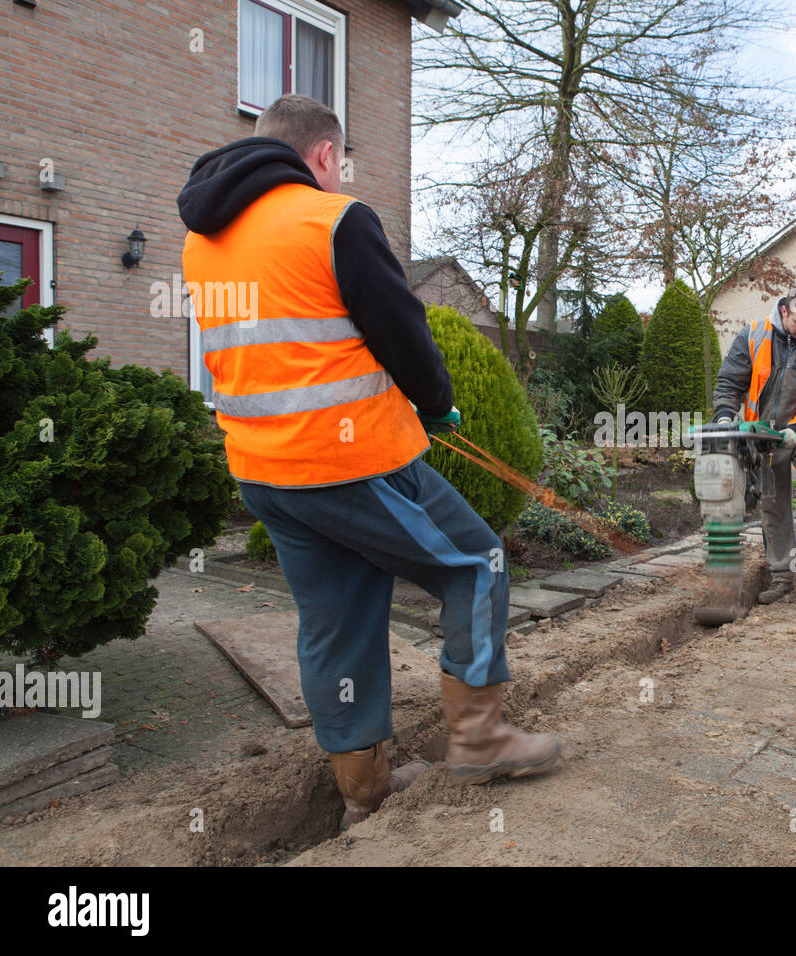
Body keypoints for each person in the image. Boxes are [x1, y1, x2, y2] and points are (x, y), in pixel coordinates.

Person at [177, 94, 560, 829]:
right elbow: (400, 328)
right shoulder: (333, 219)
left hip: (263, 474)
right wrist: (437, 400)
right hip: (350, 461)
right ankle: (480, 739)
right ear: (325, 155)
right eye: (341, 162)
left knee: (337, 621)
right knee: (478, 564)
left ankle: (364, 796)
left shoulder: (205, 238)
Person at [712, 286, 796, 601]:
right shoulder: (754, 335)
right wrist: (726, 418)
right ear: (784, 311)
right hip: (765, 433)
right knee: (773, 499)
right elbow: (730, 382)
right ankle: (782, 577)